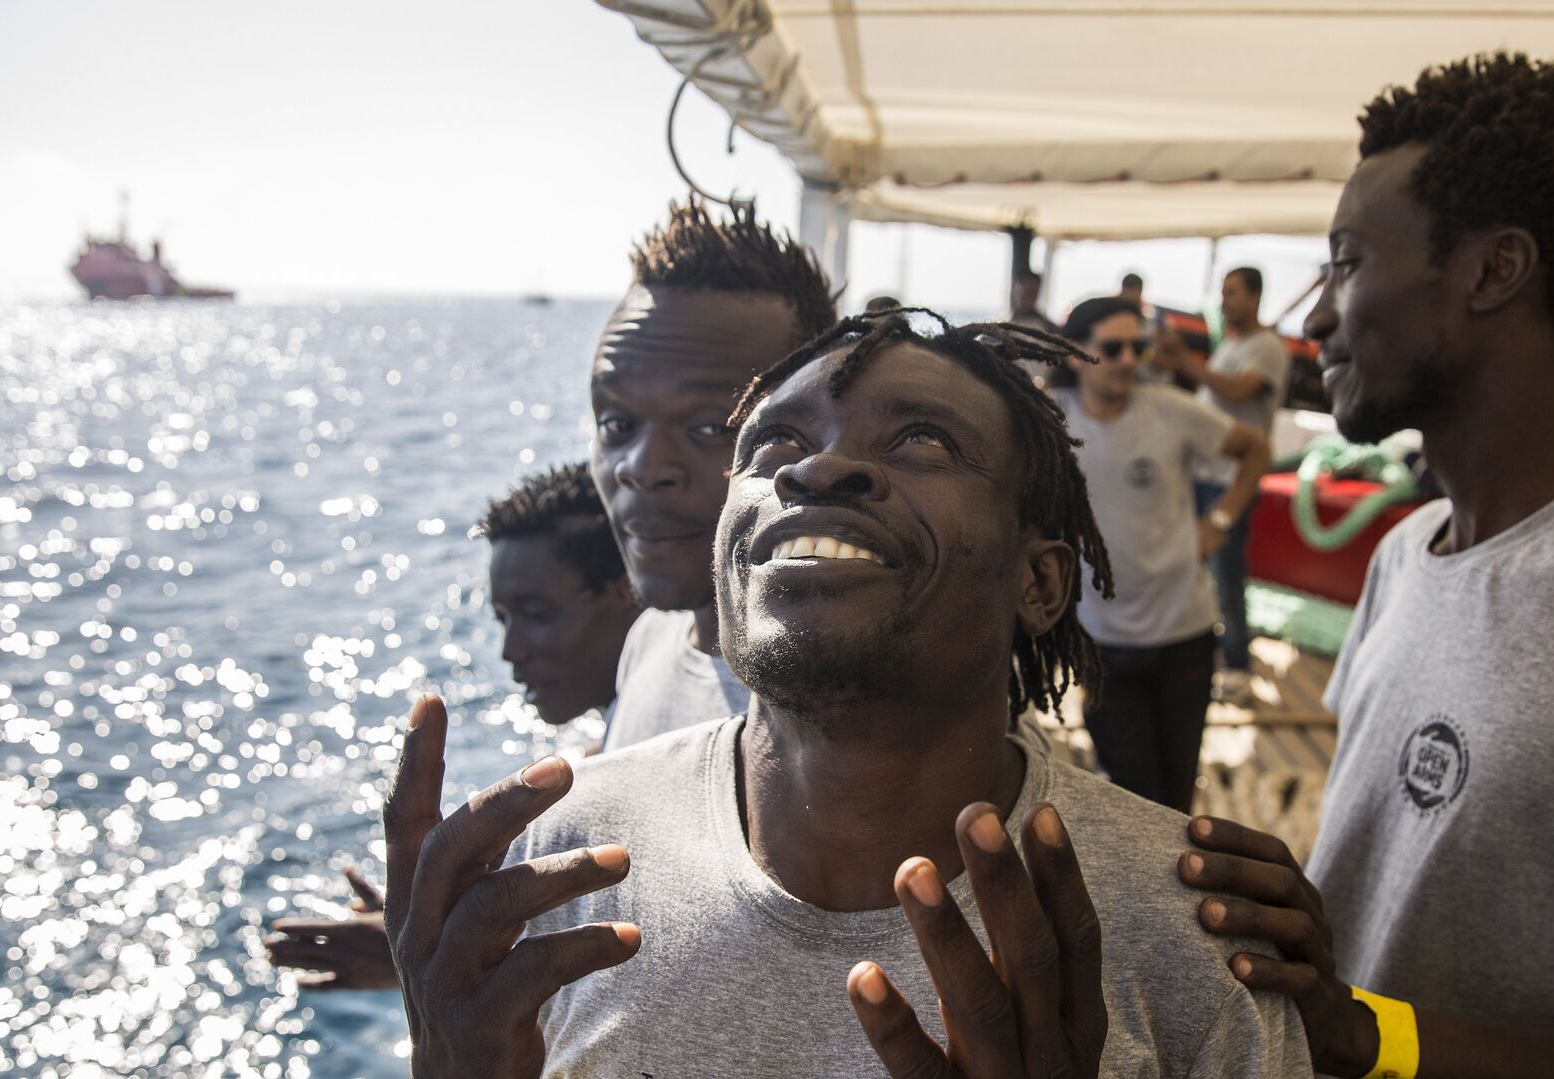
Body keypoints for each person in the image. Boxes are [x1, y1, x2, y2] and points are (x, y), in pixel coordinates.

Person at [379, 313, 1311, 1077]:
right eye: (772, 441)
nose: (814, 469)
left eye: (922, 439)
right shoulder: (557, 865)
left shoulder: (1199, 936)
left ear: (1038, 583)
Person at [1174, 52, 1554, 1077]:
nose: (1317, 317)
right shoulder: (1404, 554)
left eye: (1347, 263)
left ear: (1492, 270)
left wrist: (1372, 1035)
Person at [263, 462, 638, 991]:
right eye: (503, 618)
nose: (511, 650)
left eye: (536, 613)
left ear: (626, 591)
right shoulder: (621, 736)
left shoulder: (663, 739)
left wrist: (436, 952)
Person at [591, 199, 837, 751]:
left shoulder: (845, 719)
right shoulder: (653, 637)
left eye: (709, 428)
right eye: (617, 424)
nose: (642, 469)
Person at [1055, 296, 1270, 811]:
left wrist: (1218, 523)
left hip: (1183, 633)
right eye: (1113, 348)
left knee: (1176, 792)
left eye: (1139, 348)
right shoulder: (1049, 421)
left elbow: (1256, 449)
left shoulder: (1171, 410)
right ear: (1073, 354)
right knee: (1131, 790)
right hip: (1100, 640)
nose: (1129, 359)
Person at [1164, 267, 1292, 702]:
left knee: (1228, 574)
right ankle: (1202, 653)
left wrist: (1185, 361)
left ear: (1256, 296)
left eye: (1232, 292)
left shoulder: (1267, 347)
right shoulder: (1234, 344)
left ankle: (1237, 666)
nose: (1224, 301)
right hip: (1204, 475)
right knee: (1198, 568)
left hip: (1231, 482)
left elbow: (1237, 391)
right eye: (1222, 292)